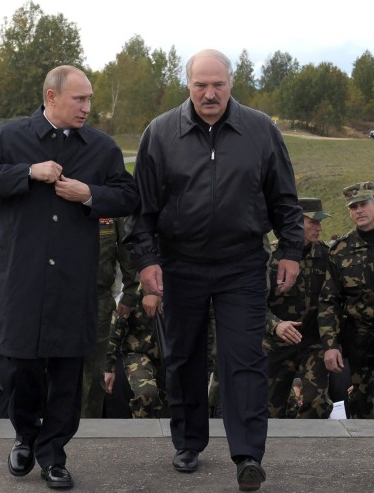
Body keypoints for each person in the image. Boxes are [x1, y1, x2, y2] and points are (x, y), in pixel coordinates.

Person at [125, 49, 303, 492]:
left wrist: (291, 250)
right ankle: (188, 442)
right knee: (183, 355)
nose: (209, 93)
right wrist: (146, 260)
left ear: (231, 83)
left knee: (243, 358)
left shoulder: (260, 131)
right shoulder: (160, 133)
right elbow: (140, 208)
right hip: (178, 263)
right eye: (200, 85)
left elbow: (284, 197)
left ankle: (248, 455)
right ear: (188, 85)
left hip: (241, 262)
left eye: (217, 84)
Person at [0, 65, 139, 489]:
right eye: (79, 99)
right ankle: (25, 436)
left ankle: (54, 454)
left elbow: (130, 195)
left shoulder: (100, 148)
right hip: (21, 280)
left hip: (73, 283)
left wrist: (90, 195)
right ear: (51, 97)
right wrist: (26, 172)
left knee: (65, 374)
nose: (87, 107)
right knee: (18, 367)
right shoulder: (10, 138)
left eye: (90, 99)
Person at [317, 182, 374, 419]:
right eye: (353, 207)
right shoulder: (341, 250)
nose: (358, 211)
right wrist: (330, 345)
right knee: (361, 404)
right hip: (358, 338)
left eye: (363, 204)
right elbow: (329, 301)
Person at [265, 197, 332, 419]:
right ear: (295, 221)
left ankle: (312, 453)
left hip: (311, 343)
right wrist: (275, 325)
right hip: (276, 345)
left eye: (320, 222)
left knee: (317, 402)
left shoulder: (325, 255)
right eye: (312, 222)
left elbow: (334, 300)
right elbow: (252, 303)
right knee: (270, 410)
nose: (318, 227)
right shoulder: (270, 257)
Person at [82, 216, 140, 418]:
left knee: (95, 373)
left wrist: (131, 292)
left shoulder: (109, 199)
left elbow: (126, 246)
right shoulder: (57, 189)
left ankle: (88, 431)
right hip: (58, 296)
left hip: (98, 297)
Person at [103, 290, 167, 418]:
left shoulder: (182, 288)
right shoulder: (136, 290)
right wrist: (108, 367)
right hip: (138, 353)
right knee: (146, 394)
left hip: (172, 355)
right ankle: (144, 433)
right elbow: (116, 327)